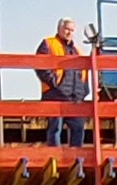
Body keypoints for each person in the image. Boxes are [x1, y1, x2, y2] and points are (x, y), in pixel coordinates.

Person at [34, 17, 84, 147]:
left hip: (74, 99)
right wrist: (54, 83)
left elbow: (83, 73)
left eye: (72, 30)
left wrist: (83, 91)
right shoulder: (48, 43)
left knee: (78, 128)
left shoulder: (77, 50)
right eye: (67, 29)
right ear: (59, 29)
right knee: (55, 129)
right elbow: (40, 65)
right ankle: (54, 159)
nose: (69, 33)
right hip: (54, 96)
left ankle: (75, 160)